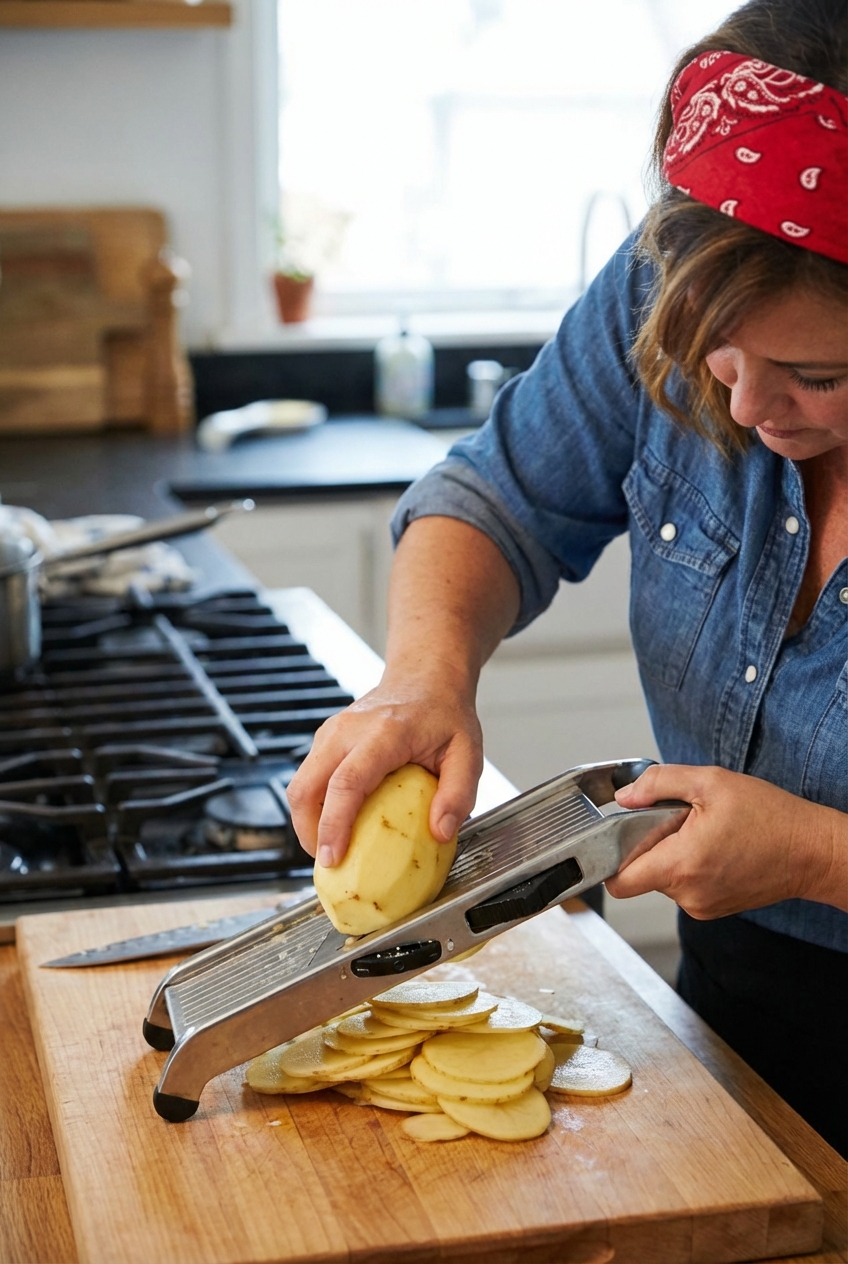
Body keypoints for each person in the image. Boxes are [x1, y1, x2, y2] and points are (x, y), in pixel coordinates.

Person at [288, 0, 848, 1157]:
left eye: (813, 374)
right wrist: (421, 677)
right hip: (732, 1022)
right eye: (718, 361)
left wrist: (810, 854)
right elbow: (495, 494)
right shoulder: (668, 281)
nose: (741, 409)